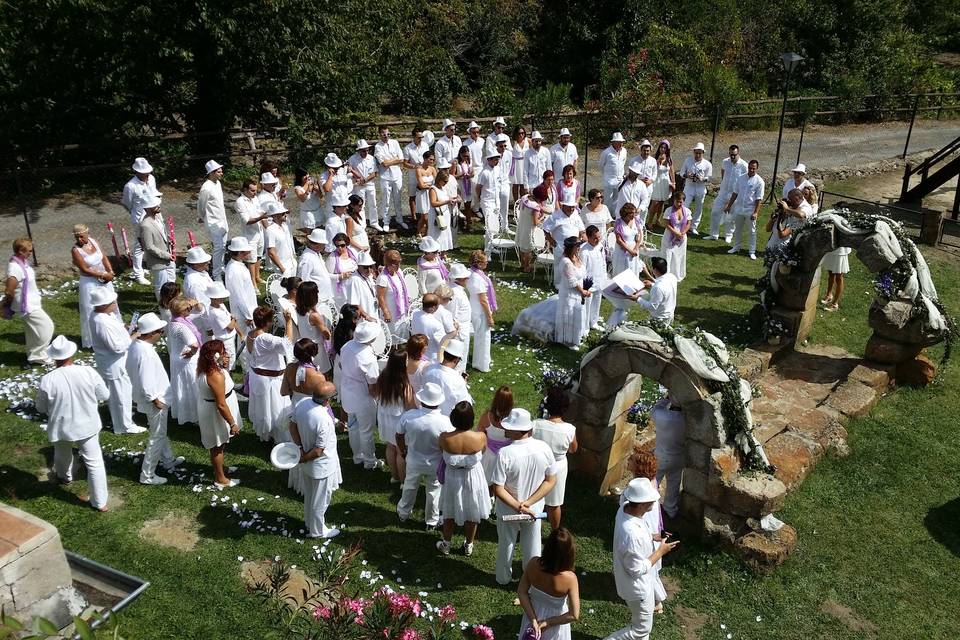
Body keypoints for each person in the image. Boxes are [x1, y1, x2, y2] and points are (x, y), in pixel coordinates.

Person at [36, 336, 111, 511]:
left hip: (61, 425)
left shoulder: (48, 379)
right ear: (72, 354)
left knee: (62, 453)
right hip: (87, 424)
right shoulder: (88, 372)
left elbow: (40, 407)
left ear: (54, 357)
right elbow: (104, 395)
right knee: (94, 462)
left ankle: (64, 476)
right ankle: (100, 502)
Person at [605, 477, 680, 640]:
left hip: (637, 585)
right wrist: (660, 552)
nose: (654, 502)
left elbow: (639, 530)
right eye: (650, 500)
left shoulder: (624, 509)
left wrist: (654, 536)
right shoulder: (632, 535)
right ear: (640, 504)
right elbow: (636, 569)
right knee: (641, 629)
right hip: (638, 589)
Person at [491, 408, 557, 585]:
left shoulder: (505, 454)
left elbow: (498, 488)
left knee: (506, 543)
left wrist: (519, 505)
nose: (505, 429)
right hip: (534, 510)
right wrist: (529, 503)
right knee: (533, 545)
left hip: (508, 509)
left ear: (518, 430)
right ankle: (533, 579)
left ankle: (503, 578)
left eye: (508, 427)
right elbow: (551, 480)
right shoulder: (544, 448)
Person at [127, 313, 184, 485]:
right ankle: (147, 474)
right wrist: (154, 399)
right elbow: (146, 380)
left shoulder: (136, 345)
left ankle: (167, 460)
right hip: (155, 399)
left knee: (159, 432)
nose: (162, 333)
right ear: (152, 333)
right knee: (157, 436)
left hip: (150, 397)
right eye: (160, 331)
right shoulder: (145, 353)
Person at [395, 381, 453, 528]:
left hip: (414, 460)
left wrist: (402, 450)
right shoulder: (445, 422)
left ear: (421, 400)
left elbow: (399, 435)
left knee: (409, 486)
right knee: (434, 492)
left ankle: (403, 513)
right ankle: (431, 521)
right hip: (436, 463)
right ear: (439, 402)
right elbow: (449, 443)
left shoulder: (409, 416)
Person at [290, 380, 342, 538]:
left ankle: (309, 522)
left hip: (306, 458)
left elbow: (292, 425)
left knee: (310, 495)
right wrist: (304, 458)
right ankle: (318, 531)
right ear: (328, 400)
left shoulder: (304, 402)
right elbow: (319, 451)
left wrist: (299, 448)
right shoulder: (323, 419)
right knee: (321, 500)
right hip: (321, 465)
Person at [436, 400, 490, 555]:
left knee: (449, 510)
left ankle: (446, 544)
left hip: (452, 477)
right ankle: (468, 545)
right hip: (473, 477)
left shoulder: (445, 438)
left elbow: (440, 450)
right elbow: (484, 451)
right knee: (473, 510)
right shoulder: (480, 437)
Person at [88, 287, 142, 434]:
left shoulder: (104, 316)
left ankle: (123, 420)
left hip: (115, 361)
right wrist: (134, 336)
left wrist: (124, 327)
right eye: (113, 302)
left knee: (123, 391)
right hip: (113, 363)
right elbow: (116, 347)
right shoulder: (101, 322)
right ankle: (124, 426)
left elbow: (114, 330)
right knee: (120, 394)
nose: (116, 303)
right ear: (104, 304)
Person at [518, 527, 581, 640]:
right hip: (556, 620)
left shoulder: (533, 564)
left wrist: (533, 619)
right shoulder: (570, 579)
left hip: (532, 612)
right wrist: (548, 622)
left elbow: (522, 592)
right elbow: (574, 615)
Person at [196, 340, 241, 488]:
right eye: (222, 352)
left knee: (221, 443)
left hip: (213, 408)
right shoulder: (214, 375)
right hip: (215, 413)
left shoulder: (209, 368)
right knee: (217, 446)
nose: (225, 354)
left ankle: (221, 468)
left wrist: (223, 365)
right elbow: (221, 405)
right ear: (215, 356)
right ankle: (220, 478)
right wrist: (232, 423)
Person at [338, 320, 383, 469]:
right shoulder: (368, 358)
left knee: (353, 426)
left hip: (347, 392)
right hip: (363, 397)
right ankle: (370, 461)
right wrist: (379, 399)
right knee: (366, 431)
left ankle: (357, 456)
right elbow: (373, 385)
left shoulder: (346, 346)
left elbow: (341, 365)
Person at [246, 305, 294, 442]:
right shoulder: (265, 338)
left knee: (264, 408)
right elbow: (287, 344)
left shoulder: (251, 334)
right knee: (277, 410)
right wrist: (288, 322)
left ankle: (267, 435)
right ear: (268, 322)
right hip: (270, 380)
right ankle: (280, 439)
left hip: (258, 377)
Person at [533, 388, 579, 530]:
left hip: (538, 463)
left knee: (534, 497)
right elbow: (573, 449)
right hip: (558, 467)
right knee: (554, 503)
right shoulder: (570, 429)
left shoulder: (535, 424)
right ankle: (555, 531)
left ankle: (528, 527)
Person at [2, 238, 53, 365]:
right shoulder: (15, 268)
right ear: (20, 251)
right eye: (28, 251)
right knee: (47, 328)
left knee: (32, 331)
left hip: (32, 303)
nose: (31, 253)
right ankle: (38, 355)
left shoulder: (21, 262)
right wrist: (5, 304)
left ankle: (32, 354)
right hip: (27, 306)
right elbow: (9, 290)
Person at [374, 347, 416, 484]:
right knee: (401, 451)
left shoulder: (383, 376)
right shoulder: (404, 383)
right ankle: (404, 481)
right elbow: (409, 405)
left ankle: (394, 476)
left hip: (385, 417)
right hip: (398, 420)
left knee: (390, 447)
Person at [72, 224, 117, 349]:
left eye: (81, 236)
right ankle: (94, 338)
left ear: (87, 233)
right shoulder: (76, 250)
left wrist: (110, 271)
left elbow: (103, 257)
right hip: (89, 282)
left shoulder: (94, 242)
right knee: (92, 309)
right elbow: (84, 269)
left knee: (110, 303)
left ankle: (113, 331)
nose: (79, 240)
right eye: (77, 237)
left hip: (104, 279)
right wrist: (102, 275)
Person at [121, 157, 159, 285]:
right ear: (137, 172)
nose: (147, 174)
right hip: (139, 218)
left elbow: (154, 196)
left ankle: (152, 265)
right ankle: (138, 273)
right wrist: (136, 213)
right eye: (144, 172)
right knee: (140, 246)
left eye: (148, 171)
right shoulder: (130, 186)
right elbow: (127, 203)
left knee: (155, 241)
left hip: (154, 214)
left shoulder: (152, 179)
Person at [167, 296, 202, 426]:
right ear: (182, 311)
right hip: (187, 362)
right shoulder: (183, 327)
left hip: (177, 359)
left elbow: (196, 311)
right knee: (191, 388)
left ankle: (185, 413)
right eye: (188, 308)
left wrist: (193, 304)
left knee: (181, 387)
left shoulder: (174, 321)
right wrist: (193, 353)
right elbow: (194, 344)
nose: (190, 309)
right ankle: (195, 417)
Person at [705, 144, 749, 242]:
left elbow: (745, 181)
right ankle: (714, 234)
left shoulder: (744, 166)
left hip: (735, 194)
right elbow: (723, 173)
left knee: (731, 215)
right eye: (731, 155)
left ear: (738, 153)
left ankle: (728, 235)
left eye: (734, 155)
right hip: (723, 192)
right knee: (715, 212)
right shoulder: (725, 162)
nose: (732, 157)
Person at [651, 395, 685, 519]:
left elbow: (655, 408)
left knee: (653, 482)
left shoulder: (661, 415)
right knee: (674, 484)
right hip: (678, 457)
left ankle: (649, 507)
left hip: (660, 456)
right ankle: (670, 510)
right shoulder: (686, 420)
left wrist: (667, 398)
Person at [543, 193, 586, 289]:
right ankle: (558, 285)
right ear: (564, 206)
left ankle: (572, 284)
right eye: (569, 207)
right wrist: (551, 241)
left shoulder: (576, 215)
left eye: (573, 207)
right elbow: (545, 228)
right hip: (560, 246)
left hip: (574, 247)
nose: (572, 209)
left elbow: (582, 230)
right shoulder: (555, 216)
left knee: (572, 265)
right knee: (560, 265)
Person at [725, 159, 765, 260]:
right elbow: (735, 192)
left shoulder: (759, 181)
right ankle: (736, 247)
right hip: (739, 208)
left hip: (750, 210)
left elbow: (759, 199)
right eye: (750, 168)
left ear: (757, 169)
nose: (751, 170)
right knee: (738, 229)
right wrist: (729, 205)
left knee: (752, 231)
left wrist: (756, 212)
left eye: (753, 169)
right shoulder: (741, 178)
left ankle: (752, 251)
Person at [139, 194, 177, 300]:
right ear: (147, 208)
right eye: (154, 205)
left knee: (171, 285)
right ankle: (164, 309)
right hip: (158, 262)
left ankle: (173, 305)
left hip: (168, 258)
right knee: (161, 288)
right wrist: (167, 255)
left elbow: (161, 233)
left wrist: (169, 239)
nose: (158, 206)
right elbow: (149, 247)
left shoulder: (158, 218)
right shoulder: (145, 225)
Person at [555, 237, 590, 349]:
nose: (579, 248)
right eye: (577, 246)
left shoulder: (577, 257)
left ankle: (576, 337)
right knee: (569, 316)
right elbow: (572, 281)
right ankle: (567, 340)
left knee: (578, 316)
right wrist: (582, 291)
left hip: (579, 294)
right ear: (571, 248)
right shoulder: (566, 262)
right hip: (569, 294)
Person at [197, 159, 229, 279]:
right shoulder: (206, 188)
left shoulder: (218, 184)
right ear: (212, 173)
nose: (222, 173)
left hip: (222, 220)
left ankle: (221, 268)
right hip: (213, 221)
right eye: (219, 172)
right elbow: (201, 204)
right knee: (218, 247)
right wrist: (201, 217)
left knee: (223, 246)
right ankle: (216, 275)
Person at [423, 340, 473, 416]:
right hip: (447, 419)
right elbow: (465, 404)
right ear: (456, 360)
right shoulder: (457, 380)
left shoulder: (429, 369)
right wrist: (464, 383)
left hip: (427, 413)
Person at [234, 177, 268, 285]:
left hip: (259, 232)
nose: (255, 193)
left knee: (258, 256)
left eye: (256, 190)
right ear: (244, 190)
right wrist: (261, 217)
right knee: (251, 260)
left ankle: (257, 277)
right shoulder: (240, 202)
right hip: (249, 235)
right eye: (252, 190)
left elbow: (260, 213)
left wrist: (267, 228)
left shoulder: (255, 199)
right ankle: (253, 283)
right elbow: (246, 221)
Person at [477, 385, 513, 482]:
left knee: (486, 480)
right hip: (508, 456)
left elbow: (479, 434)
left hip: (488, 455)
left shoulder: (487, 417)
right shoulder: (514, 420)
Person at [295, 281, 332, 374]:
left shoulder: (298, 310)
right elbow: (326, 335)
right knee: (322, 375)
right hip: (317, 350)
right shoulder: (314, 316)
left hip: (305, 346)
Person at [467, 251, 496, 372]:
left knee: (481, 336)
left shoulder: (472, 273)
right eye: (485, 261)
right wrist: (489, 316)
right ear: (478, 264)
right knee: (483, 338)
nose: (487, 262)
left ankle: (483, 360)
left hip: (475, 308)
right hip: (480, 311)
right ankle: (481, 364)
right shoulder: (477, 279)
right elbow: (483, 300)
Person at [376, 125, 407, 230]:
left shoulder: (395, 143)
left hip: (397, 175)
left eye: (388, 134)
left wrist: (390, 161)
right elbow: (383, 163)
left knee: (397, 199)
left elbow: (402, 159)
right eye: (384, 134)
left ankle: (400, 219)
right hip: (385, 177)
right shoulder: (378, 147)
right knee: (386, 200)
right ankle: (386, 221)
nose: (386, 136)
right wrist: (395, 159)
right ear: (380, 134)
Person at [224, 237, 258, 335]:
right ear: (240, 253)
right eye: (247, 251)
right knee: (245, 340)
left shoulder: (238, 266)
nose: (250, 253)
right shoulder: (234, 270)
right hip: (243, 313)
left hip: (248, 309)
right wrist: (249, 316)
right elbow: (239, 295)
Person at [412, 293, 457, 364]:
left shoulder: (415, 314)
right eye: (438, 306)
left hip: (417, 353)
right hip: (431, 358)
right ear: (433, 308)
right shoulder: (435, 324)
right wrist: (454, 332)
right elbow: (443, 343)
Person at [376, 249, 411, 341]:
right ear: (388, 264)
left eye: (399, 263)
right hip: (391, 311)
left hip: (401, 309)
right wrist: (386, 312)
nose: (398, 266)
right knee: (392, 337)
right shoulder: (383, 278)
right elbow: (380, 297)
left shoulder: (399, 272)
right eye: (396, 264)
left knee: (403, 335)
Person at [679, 143, 712, 235]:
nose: (697, 155)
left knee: (699, 208)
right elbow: (681, 173)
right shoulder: (688, 160)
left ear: (703, 153)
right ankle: (682, 224)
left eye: (700, 153)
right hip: (689, 186)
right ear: (694, 152)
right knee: (684, 206)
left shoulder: (707, 164)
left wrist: (703, 178)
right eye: (696, 153)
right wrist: (687, 175)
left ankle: (693, 227)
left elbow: (709, 177)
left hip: (700, 188)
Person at [766, 188, 811, 253]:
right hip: (772, 245)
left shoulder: (806, 207)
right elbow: (768, 229)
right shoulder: (790, 210)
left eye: (790, 199)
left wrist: (786, 209)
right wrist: (775, 217)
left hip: (787, 246)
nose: (789, 201)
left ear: (796, 198)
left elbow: (801, 215)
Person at [581, 225, 608, 330]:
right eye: (595, 238)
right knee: (587, 305)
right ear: (588, 237)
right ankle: (586, 325)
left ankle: (594, 322)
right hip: (589, 282)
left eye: (598, 237)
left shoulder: (600, 246)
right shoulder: (584, 251)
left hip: (599, 279)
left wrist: (604, 276)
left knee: (597, 302)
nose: (597, 240)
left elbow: (603, 261)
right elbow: (583, 270)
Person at [661, 191, 691, 281]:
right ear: (674, 200)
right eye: (677, 201)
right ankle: (665, 274)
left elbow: (689, 223)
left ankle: (677, 273)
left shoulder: (687, 211)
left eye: (680, 202)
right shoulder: (669, 210)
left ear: (683, 202)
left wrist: (683, 233)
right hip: (669, 235)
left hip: (681, 237)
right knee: (667, 255)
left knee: (679, 255)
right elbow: (666, 224)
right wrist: (675, 233)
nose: (678, 204)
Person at [402, 126, 429, 227]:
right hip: (413, 175)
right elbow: (404, 163)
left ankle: (425, 214)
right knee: (412, 195)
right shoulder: (407, 148)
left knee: (425, 193)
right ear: (413, 137)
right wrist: (414, 166)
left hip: (425, 173)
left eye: (422, 137)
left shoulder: (425, 145)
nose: (420, 139)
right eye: (418, 137)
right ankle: (413, 216)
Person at [320, 152, 358, 223]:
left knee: (347, 222)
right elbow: (327, 189)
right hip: (332, 205)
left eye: (337, 167)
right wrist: (330, 175)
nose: (337, 169)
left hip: (344, 202)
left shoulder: (342, 172)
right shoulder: (324, 176)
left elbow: (358, 177)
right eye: (335, 168)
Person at [517, 185, 548, 273]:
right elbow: (535, 222)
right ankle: (527, 267)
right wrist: (542, 218)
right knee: (528, 249)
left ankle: (522, 264)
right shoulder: (535, 207)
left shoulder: (524, 198)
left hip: (521, 224)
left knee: (521, 246)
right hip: (529, 229)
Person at [638, 257, 678, 324]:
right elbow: (665, 287)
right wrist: (652, 284)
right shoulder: (672, 277)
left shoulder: (658, 288)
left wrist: (637, 299)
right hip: (670, 314)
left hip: (659, 319)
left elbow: (652, 307)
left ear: (655, 270)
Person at [348, 140, 378, 227]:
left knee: (373, 204)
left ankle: (374, 222)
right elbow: (348, 170)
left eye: (367, 150)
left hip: (370, 184)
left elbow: (374, 173)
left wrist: (365, 180)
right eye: (363, 150)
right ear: (359, 151)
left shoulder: (371, 158)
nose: (366, 152)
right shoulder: (352, 159)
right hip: (359, 186)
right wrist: (355, 178)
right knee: (361, 205)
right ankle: (362, 224)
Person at [428, 170, 458, 253]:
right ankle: (434, 252)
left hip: (445, 214)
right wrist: (447, 201)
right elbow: (433, 203)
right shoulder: (433, 189)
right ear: (439, 179)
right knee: (436, 234)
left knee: (445, 234)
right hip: (436, 215)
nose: (446, 183)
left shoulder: (443, 188)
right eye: (445, 181)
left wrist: (453, 199)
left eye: (447, 181)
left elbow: (446, 198)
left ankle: (443, 253)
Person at [263, 201, 297, 275]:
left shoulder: (285, 226)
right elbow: (271, 252)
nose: (285, 215)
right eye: (282, 214)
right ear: (275, 216)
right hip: (283, 266)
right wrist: (282, 268)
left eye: (285, 213)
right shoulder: (270, 230)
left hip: (292, 263)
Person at [612, 203, 643, 279]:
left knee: (633, 270)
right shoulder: (619, 223)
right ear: (625, 213)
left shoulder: (636, 220)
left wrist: (636, 248)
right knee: (622, 272)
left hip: (634, 249)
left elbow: (639, 234)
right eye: (631, 213)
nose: (633, 215)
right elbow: (619, 240)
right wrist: (630, 251)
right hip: (623, 250)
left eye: (634, 212)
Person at [647, 140, 675, 227]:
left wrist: (673, 182)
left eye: (665, 148)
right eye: (661, 147)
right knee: (654, 202)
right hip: (656, 182)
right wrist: (658, 161)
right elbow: (652, 170)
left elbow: (671, 171)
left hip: (665, 182)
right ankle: (649, 221)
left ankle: (658, 220)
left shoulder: (669, 159)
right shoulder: (654, 159)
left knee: (662, 202)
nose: (663, 149)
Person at [477, 149, 502, 242]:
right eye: (495, 159)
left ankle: (492, 243)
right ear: (489, 160)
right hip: (487, 201)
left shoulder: (498, 169)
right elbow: (478, 187)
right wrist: (480, 198)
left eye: (497, 159)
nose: (497, 161)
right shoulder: (484, 173)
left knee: (495, 224)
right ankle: (487, 250)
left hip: (496, 200)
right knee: (489, 225)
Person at [616, 163, 651, 227]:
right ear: (630, 171)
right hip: (621, 213)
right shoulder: (622, 182)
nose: (635, 175)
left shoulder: (641, 184)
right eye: (633, 173)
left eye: (636, 174)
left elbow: (645, 198)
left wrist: (640, 208)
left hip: (634, 214)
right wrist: (624, 178)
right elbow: (615, 184)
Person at [599, 132, 628, 205]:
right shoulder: (606, 152)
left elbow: (623, 162)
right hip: (609, 181)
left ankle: (615, 215)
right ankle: (607, 215)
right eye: (618, 142)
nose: (620, 144)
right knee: (608, 200)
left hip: (620, 180)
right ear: (613, 142)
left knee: (617, 200)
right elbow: (601, 165)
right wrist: (607, 176)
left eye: (621, 142)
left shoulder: (624, 151)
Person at [293, 167, 322, 233]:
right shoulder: (297, 188)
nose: (307, 177)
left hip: (318, 211)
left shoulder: (314, 181)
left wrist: (317, 190)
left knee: (320, 232)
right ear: (299, 177)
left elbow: (321, 196)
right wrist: (308, 190)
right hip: (307, 214)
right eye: (304, 175)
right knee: (310, 234)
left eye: (307, 174)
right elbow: (302, 199)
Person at [415, 150, 438, 233]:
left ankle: (429, 232)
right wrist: (431, 186)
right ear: (425, 159)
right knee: (424, 217)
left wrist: (428, 186)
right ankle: (418, 232)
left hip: (431, 193)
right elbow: (421, 185)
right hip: (422, 195)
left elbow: (437, 181)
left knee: (430, 215)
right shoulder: (419, 170)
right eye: (430, 159)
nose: (432, 161)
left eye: (433, 159)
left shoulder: (432, 169)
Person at [509, 125, 529, 200]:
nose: (521, 135)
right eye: (519, 133)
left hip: (524, 164)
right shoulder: (512, 142)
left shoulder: (528, 141)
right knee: (515, 185)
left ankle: (522, 202)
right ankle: (516, 203)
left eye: (522, 133)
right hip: (516, 165)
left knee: (523, 185)